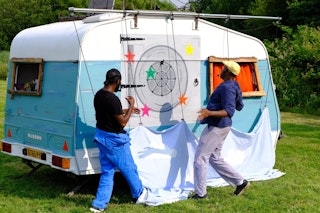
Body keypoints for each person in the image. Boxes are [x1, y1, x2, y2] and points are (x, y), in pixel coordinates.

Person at [90, 69, 148, 212]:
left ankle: (99, 204)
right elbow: (122, 123)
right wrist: (131, 106)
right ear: (117, 81)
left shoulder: (99, 95)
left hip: (102, 139)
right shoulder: (113, 99)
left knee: (107, 172)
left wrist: (125, 110)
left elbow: (108, 113)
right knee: (129, 168)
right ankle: (139, 195)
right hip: (115, 141)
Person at [192, 61, 250, 199]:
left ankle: (201, 194)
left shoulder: (227, 87)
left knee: (200, 158)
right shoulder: (234, 85)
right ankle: (240, 182)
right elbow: (239, 105)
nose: (222, 69)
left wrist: (209, 113)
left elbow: (229, 110)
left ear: (229, 73)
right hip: (223, 126)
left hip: (217, 126)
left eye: (224, 68)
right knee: (214, 157)